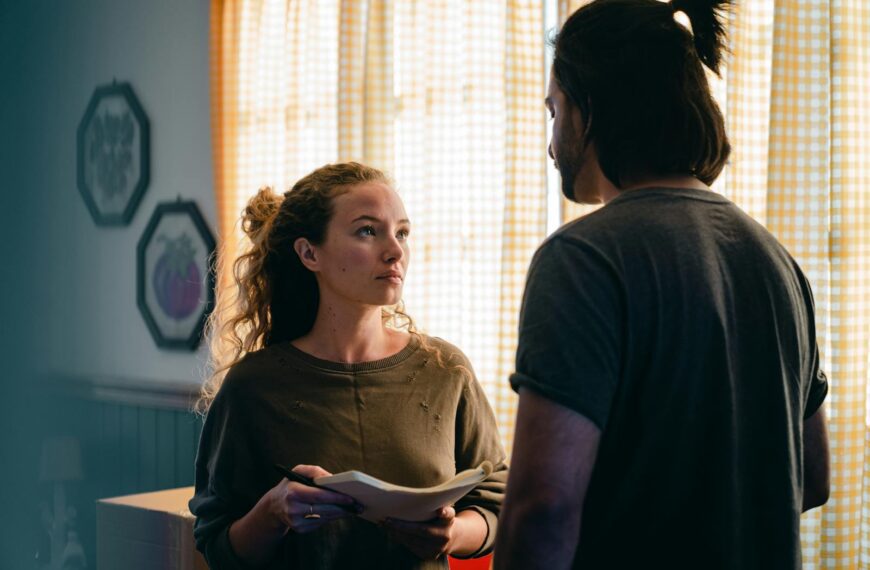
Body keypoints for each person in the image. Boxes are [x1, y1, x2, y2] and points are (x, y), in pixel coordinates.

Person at [494, 0, 830, 568]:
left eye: (554, 112)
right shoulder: (777, 261)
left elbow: (544, 507)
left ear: (589, 109)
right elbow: (812, 478)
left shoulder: (581, 258)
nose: (552, 145)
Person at [190, 162, 507, 570]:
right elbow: (217, 545)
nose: (395, 251)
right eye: (367, 231)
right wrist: (272, 512)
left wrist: (452, 534)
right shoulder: (253, 386)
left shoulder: (446, 372)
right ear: (309, 253)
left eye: (402, 233)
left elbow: (497, 500)